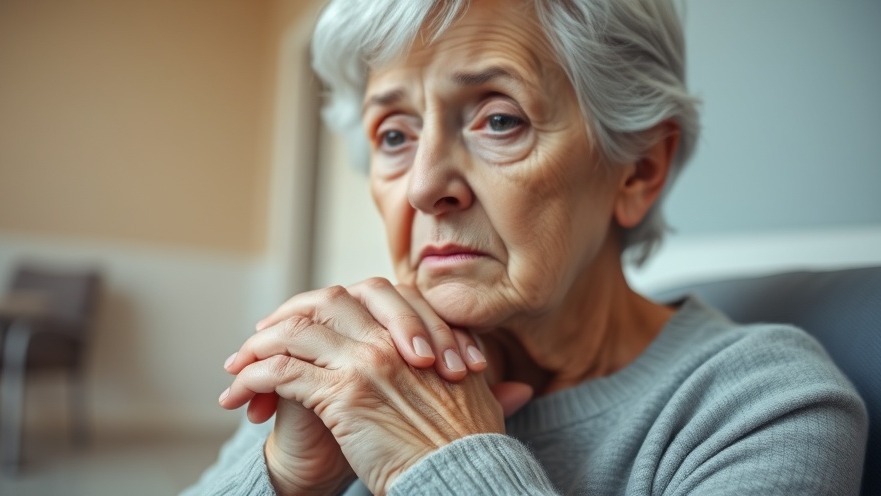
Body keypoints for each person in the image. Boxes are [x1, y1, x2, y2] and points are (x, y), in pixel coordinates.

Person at [184, 0, 868, 494]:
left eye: (499, 120)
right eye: (394, 135)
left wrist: (439, 459)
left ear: (638, 169)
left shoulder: (764, 407)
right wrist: (286, 479)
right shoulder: (358, 364)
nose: (424, 186)